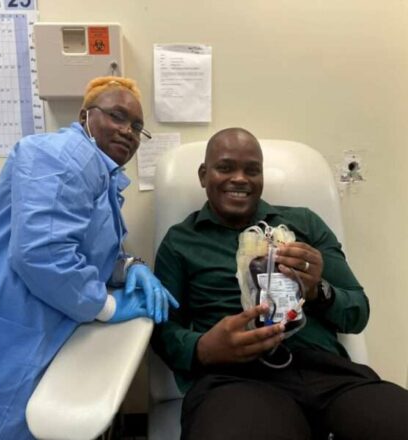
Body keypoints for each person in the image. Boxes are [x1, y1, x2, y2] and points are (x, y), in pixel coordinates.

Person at [151, 127, 408, 440]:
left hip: (327, 375)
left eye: (252, 170)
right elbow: (162, 329)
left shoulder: (305, 224)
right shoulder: (181, 241)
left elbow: (357, 312)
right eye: (226, 167)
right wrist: (203, 348)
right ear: (204, 175)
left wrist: (317, 290)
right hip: (235, 380)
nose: (240, 179)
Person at [0, 76, 178, 439]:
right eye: (117, 116)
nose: (128, 131)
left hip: (31, 321)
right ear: (85, 116)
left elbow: (86, 249)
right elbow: (42, 254)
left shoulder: (99, 175)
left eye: (137, 127)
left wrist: (130, 267)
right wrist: (107, 307)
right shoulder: (63, 156)